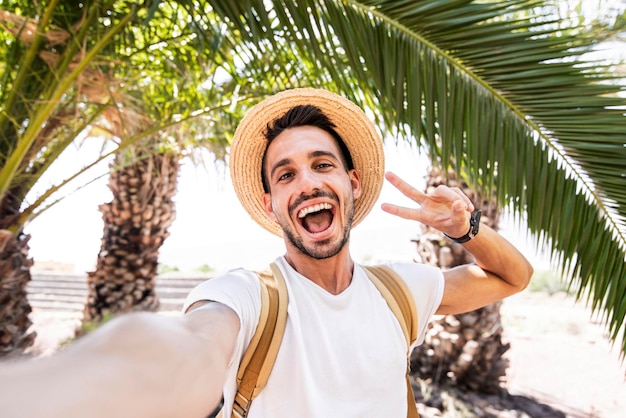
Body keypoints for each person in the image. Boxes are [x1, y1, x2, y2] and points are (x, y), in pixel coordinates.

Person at [0, 88, 533, 418]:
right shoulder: (244, 296)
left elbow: (513, 276)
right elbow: (177, 351)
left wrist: (467, 228)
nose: (306, 182)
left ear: (351, 183)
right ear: (272, 203)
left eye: (322, 166)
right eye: (286, 175)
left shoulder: (400, 290)